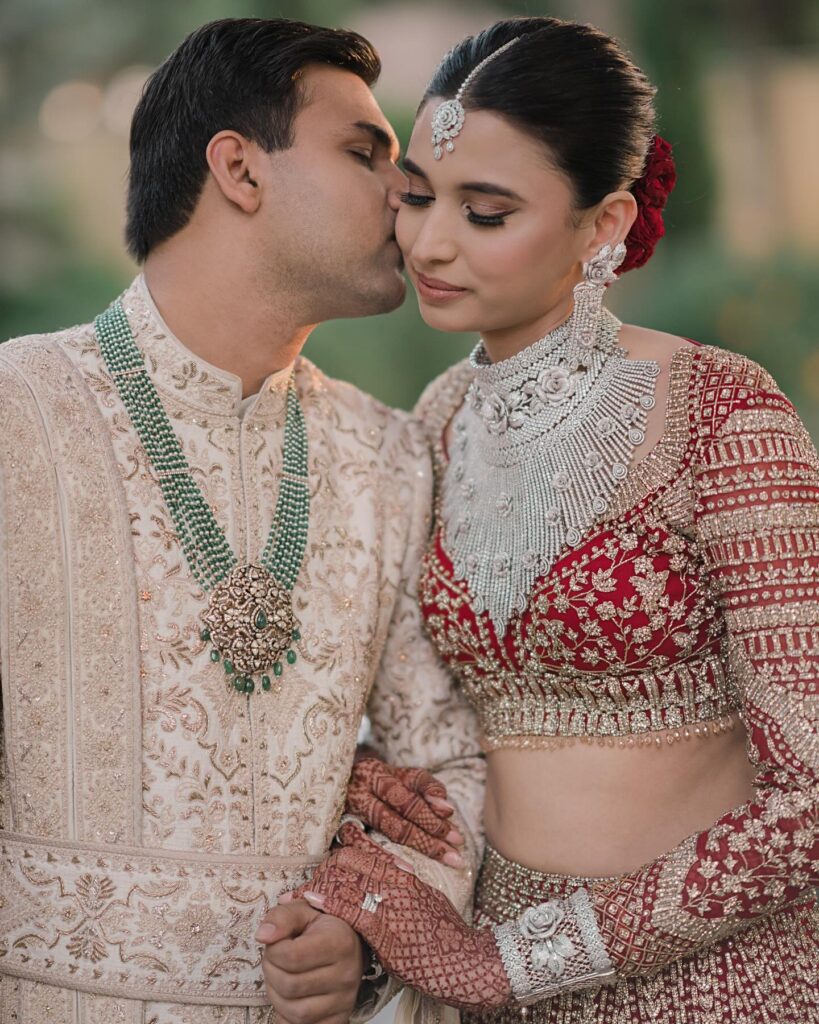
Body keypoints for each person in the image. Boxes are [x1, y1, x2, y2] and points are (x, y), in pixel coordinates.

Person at [271, 15, 819, 1023]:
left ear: (604, 223)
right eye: (419, 199)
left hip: (707, 984)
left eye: (486, 213)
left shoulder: (724, 414)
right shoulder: (433, 426)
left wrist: (518, 962)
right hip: (482, 968)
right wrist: (360, 772)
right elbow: (428, 720)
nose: (429, 243)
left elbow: (810, 802)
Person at [0, 18, 485, 1024]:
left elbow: (450, 764)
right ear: (239, 170)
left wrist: (368, 924)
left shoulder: (389, 456)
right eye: (366, 153)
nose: (407, 193)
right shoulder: (16, 414)